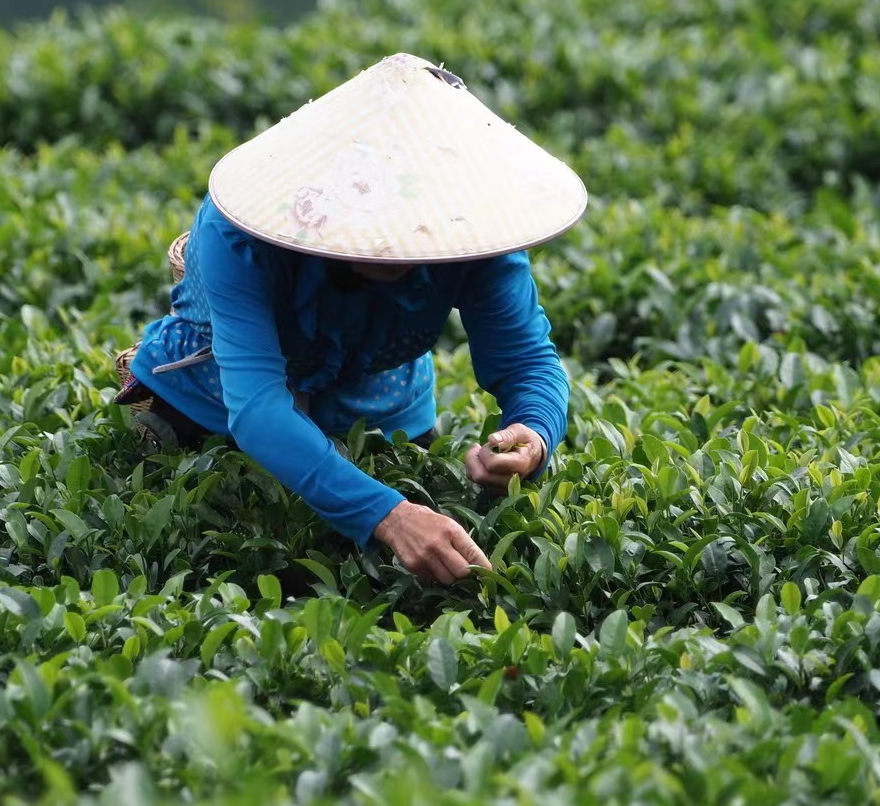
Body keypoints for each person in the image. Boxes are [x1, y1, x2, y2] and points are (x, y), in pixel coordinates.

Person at [115, 52, 588, 585]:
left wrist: (533, 435)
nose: (392, 242)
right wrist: (389, 515)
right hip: (212, 408)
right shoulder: (239, 237)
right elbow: (258, 408)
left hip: (382, 410)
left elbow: (528, 363)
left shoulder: (477, 241)